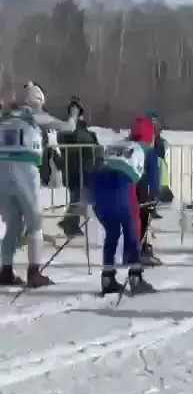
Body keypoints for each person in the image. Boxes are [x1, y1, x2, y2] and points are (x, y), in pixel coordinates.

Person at [0, 82, 79, 286]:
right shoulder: (35, 116)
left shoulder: (4, 117)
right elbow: (68, 128)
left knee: (13, 225)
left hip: (2, 172)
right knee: (35, 222)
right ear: (38, 101)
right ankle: (34, 272)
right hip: (25, 170)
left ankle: (5, 271)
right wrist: (74, 114)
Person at [90, 139, 156, 295]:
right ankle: (135, 277)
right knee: (131, 229)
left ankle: (107, 277)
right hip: (122, 185)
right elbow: (150, 179)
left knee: (112, 232)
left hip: (98, 185)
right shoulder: (146, 150)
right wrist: (153, 195)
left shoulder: (118, 144)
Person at [56, 107, 101, 237]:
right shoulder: (79, 133)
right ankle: (69, 223)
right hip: (81, 169)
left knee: (77, 197)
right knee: (79, 198)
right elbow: (93, 147)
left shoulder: (66, 133)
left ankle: (70, 222)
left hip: (73, 169)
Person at [127, 113, 162, 266]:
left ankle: (133, 250)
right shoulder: (149, 151)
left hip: (129, 188)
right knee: (145, 220)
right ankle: (144, 251)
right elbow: (153, 174)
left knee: (133, 221)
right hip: (145, 189)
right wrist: (155, 192)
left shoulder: (128, 147)